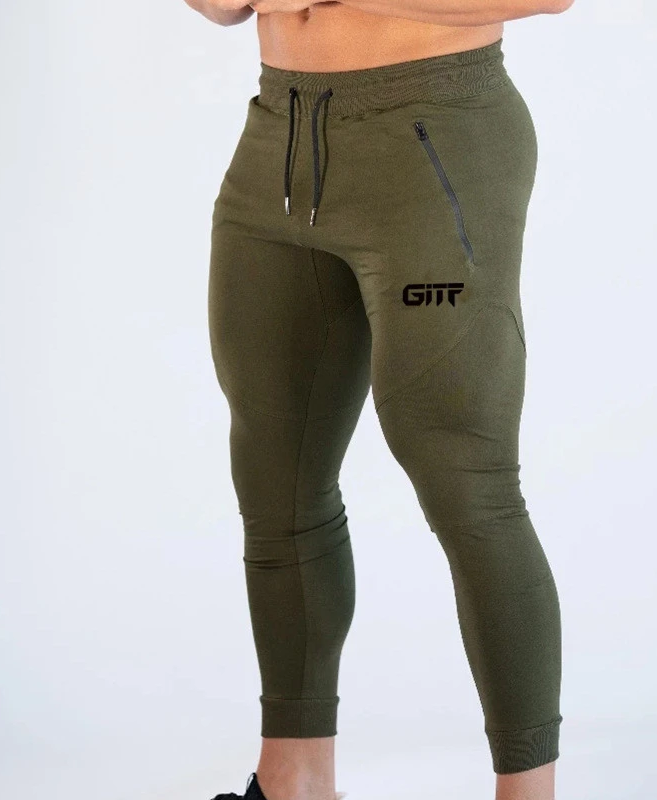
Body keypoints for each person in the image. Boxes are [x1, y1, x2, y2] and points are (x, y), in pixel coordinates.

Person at [183, 1, 574, 798]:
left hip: (434, 137)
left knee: (465, 479)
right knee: (276, 480)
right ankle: (293, 784)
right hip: (278, 141)